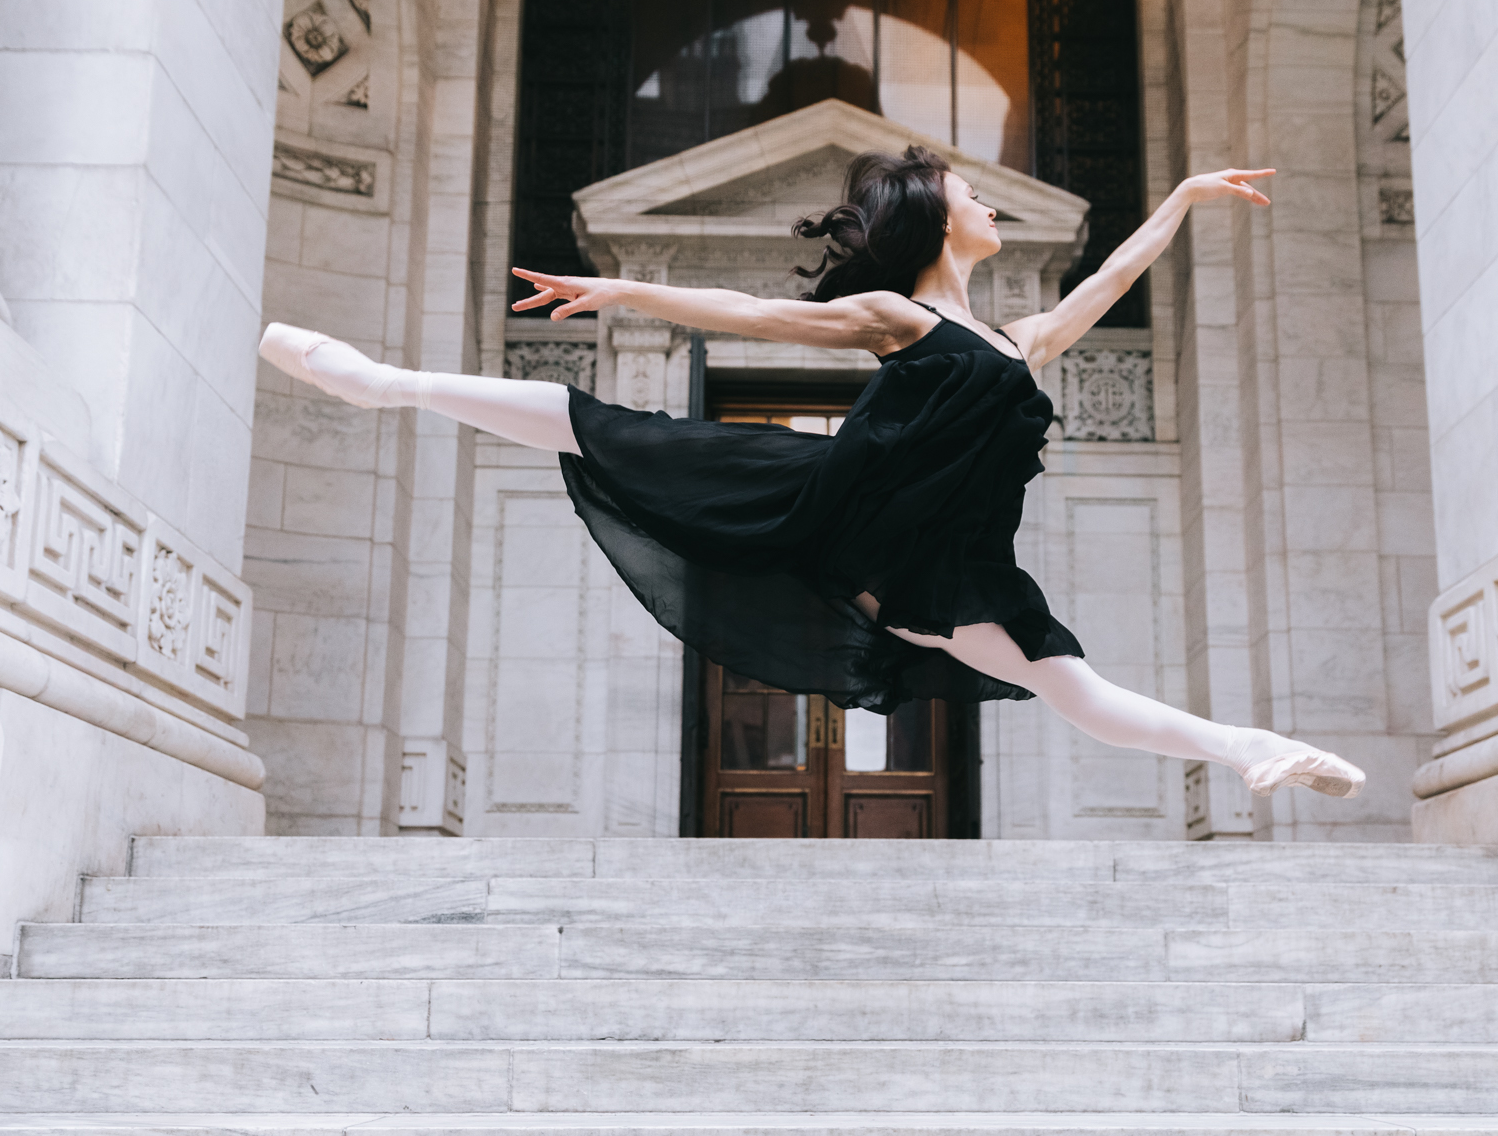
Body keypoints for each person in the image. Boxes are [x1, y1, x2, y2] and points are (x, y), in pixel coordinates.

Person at [259, 146, 1365, 799]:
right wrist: (626, 295)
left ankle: (1249, 750)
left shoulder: (1020, 340)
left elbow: (1109, 280)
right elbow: (758, 312)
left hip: (952, 574)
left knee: (1074, 688)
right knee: (615, 429)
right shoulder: (898, 314)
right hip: (831, 504)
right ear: (936, 217)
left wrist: (1178, 197)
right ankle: (383, 381)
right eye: (971, 193)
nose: (989, 204)